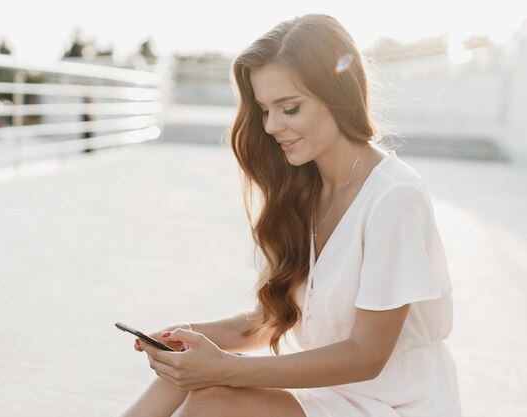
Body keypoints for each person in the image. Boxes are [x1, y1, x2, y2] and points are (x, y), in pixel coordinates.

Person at [120, 14, 461, 417]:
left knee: (212, 398)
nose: (271, 126)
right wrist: (188, 339)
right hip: (333, 394)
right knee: (187, 376)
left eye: (289, 108)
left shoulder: (393, 197)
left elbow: (367, 355)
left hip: (396, 401)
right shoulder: (305, 189)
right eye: (264, 109)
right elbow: (275, 315)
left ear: (338, 94)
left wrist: (227, 367)